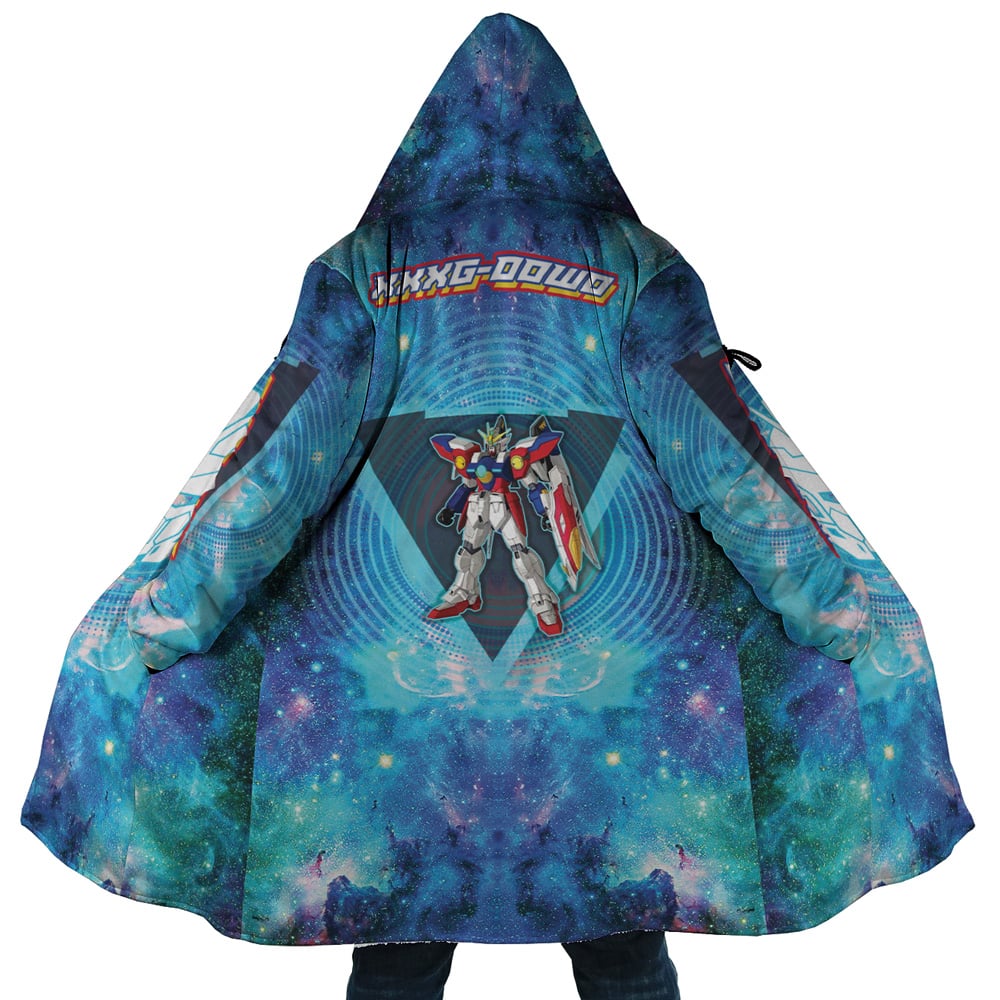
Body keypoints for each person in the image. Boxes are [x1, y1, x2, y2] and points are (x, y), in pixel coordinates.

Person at [22, 13, 972, 1000]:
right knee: (622, 952)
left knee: (395, 952)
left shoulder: (365, 269)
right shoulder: (635, 266)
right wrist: (840, 610)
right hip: (598, 720)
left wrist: (167, 616)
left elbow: (272, 475)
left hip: (406, 720)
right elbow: (731, 470)